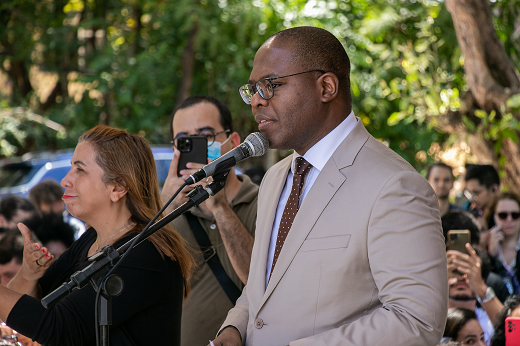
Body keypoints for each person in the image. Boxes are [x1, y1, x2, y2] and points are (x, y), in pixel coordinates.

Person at [213, 26, 448, 346]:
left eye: (270, 85)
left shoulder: (395, 186)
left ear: (326, 87)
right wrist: (235, 328)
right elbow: (265, 289)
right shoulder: (275, 178)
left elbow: (416, 320)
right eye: (252, 88)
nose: (255, 101)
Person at [0, 125, 194, 346]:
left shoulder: (147, 255)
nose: (65, 180)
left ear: (117, 189)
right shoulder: (92, 239)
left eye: (80, 170)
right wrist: (27, 273)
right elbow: (22, 311)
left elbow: (61, 329)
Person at [160, 95, 259, 346]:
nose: (197, 146)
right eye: (184, 141)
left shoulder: (266, 201)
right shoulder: (166, 209)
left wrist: (219, 205)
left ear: (233, 142)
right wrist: (163, 209)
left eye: (206, 135)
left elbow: (261, 284)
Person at [442, 210, 510, 303]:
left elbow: (505, 317)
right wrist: (440, 281)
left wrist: (481, 289)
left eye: (468, 248)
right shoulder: (429, 278)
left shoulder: (492, 283)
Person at [447, 242, 503, 343]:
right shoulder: (430, 318)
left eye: (468, 271)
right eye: (456, 270)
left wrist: (480, 288)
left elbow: (511, 331)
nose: (462, 278)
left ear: (483, 279)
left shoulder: (489, 321)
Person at [485, 192, 520, 295]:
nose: (509, 220)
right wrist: (491, 256)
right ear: (493, 217)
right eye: (503, 215)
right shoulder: (484, 243)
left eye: (515, 215)